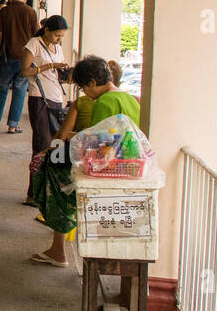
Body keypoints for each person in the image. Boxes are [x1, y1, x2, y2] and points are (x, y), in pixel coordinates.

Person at [31, 56, 138, 267]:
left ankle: (58, 249)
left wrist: (67, 144)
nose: (84, 93)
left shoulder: (104, 102)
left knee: (55, 181)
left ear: (91, 83)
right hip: (129, 167)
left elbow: (99, 144)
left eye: (83, 88)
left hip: (107, 170)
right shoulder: (131, 99)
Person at [0, 0, 39, 133]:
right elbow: (36, 38)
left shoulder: (4, 11)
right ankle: (13, 126)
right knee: (20, 92)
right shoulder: (31, 12)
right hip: (25, 59)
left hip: (7, 58)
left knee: (1, 90)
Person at [21, 15, 69, 157]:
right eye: (56, 35)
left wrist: (65, 72)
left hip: (56, 98)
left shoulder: (58, 48)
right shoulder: (34, 43)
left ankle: (52, 175)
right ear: (46, 29)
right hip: (39, 97)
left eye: (61, 36)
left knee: (57, 142)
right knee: (42, 142)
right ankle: (38, 174)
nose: (59, 39)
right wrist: (49, 66)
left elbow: (57, 74)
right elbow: (24, 71)